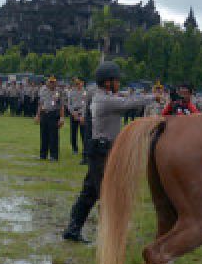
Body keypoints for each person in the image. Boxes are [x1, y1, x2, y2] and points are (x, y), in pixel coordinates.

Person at [62, 61, 150, 242]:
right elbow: (128, 103)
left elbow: (124, 97)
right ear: (107, 82)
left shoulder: (104, 96)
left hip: (101, 149)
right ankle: (111, 235)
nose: (119, 84)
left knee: (89, 192)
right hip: (101, 151)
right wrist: (153, 97)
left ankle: (73, 229)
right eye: (116, 80)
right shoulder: (105, 99)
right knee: (107, 193)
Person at [36, 76, 65, 160]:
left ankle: (54, 155)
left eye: (53, 82)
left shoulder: (59, 91)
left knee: (53, 136)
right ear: (47, 82)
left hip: (53, 114)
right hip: (44, 114)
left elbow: (61, 105)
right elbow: (40, 103)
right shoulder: (42, 90)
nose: (52, 84)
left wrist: (62, 118)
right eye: (50, 82)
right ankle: (43, 155)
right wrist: (38, 115)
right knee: (43, 135)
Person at [66, 78, 89, 157]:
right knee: (73, 132)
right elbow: (69, 104)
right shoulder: (71, 92)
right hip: (74, 113)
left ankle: (85, 149)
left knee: (84, 133)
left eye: (80, 83)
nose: (78, 84)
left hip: (82, 114)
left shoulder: (85, 92)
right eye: (77, 83)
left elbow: (86, 105)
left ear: (82, 83)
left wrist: (81, 114)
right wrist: (73, 113)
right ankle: (74, 148)